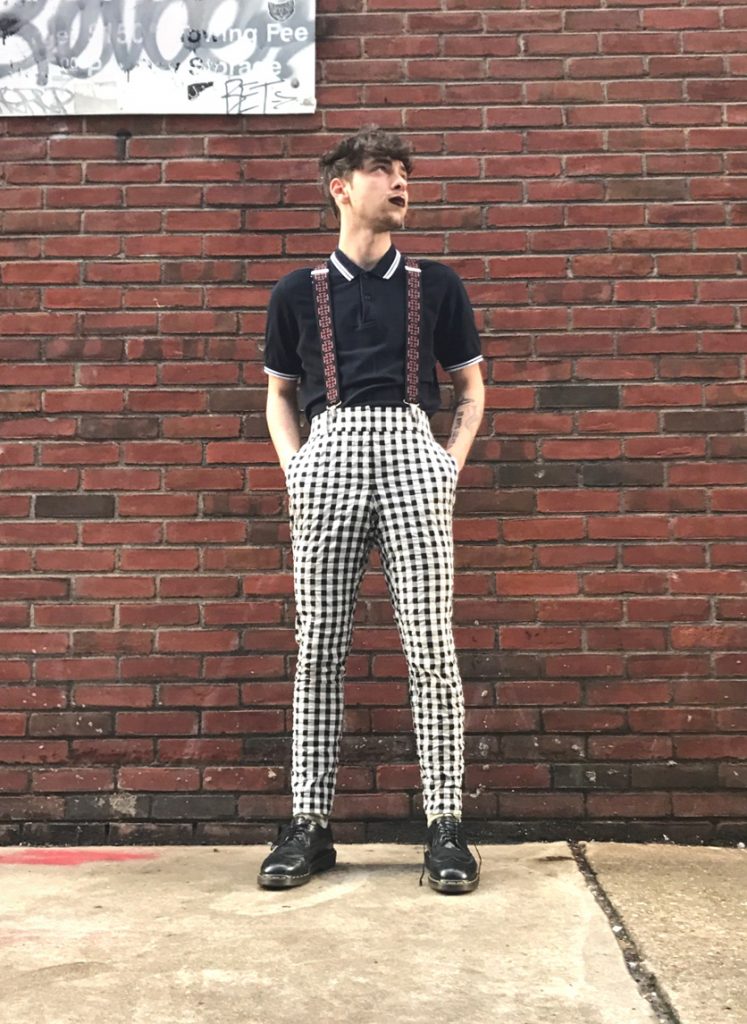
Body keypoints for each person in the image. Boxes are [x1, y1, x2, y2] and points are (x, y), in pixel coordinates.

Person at [258, 126, 485, 894]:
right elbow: (279, 395)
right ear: (341, 187)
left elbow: (470, 390)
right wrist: (298, 470)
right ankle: (308, 824)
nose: (401, 184)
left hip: (412, 453)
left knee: (430, 645)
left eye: (405, 173)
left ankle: (446, 827)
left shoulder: (436, 284)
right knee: (318, 640)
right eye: (384, 171)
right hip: (327, 455)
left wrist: (443, 467)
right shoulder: (296, 291)